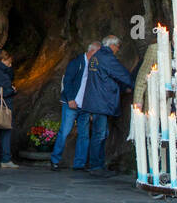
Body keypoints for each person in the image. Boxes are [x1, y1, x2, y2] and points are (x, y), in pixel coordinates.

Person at [80, 35, 134, 176]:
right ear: (112, 45)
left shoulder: (97, 56)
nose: (118, 50)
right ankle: (96, 166)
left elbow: (105, 78)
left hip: (95, 101)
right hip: (101, 102)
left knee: (100, 133)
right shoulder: (107, 58)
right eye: (118, 47)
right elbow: (121, 74)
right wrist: (133, 84)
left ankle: (96, 164)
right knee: (100, 134)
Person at [51, 41, 100, 171]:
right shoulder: (76, 62)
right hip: (71, 103)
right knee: (65, 131)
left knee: (84, 135)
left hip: (84, 106)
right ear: (92, 51)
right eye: (98, 53)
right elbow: (67, 80)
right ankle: (55, 160)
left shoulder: (94, 66)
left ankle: (79, 164)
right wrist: (71, 99)